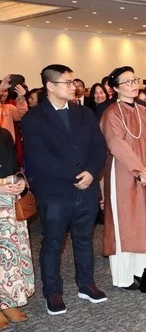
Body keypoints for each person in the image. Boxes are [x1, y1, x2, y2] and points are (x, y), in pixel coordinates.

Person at [22, 64, 108, 315]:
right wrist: (74, 176)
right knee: (52, 243)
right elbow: (39, 158)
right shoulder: (34, 118)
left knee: (84, 239)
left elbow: (98, 147)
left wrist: (92, 172)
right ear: (50, 86)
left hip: (87, 188)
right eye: (68, 82)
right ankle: (53, 291)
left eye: (74, 82)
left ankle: (86, 283)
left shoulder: (84, 114)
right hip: (55, 191)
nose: (74, 86)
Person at [100, 66, 146, 290]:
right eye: (127, 81)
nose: (134, 84)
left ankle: (141, 270)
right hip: (124, 174)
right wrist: (140, 171)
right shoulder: (111, 114)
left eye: (135, 79)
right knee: (125, 224)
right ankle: (123, 278)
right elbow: (116, 144)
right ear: (115, 88)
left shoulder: (143, 110)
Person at [0, 126, 33, 328]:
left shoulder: (4, 134)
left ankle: (7, 301)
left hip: (8, 203)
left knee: (8, 257)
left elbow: (14, 168)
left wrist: (20, 183)